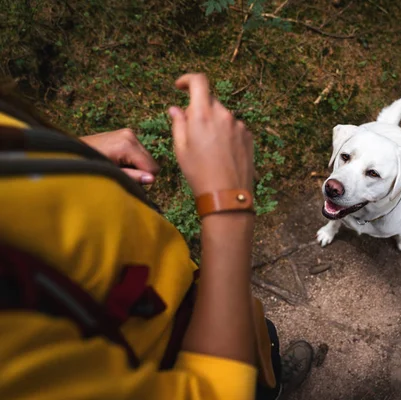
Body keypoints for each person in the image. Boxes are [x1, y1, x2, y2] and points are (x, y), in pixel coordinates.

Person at [0, 73, 313, 399]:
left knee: (261, 346)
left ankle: (271, 378)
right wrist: (227, 203)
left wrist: (69, 154)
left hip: (194, 296)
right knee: (250, 384)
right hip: (184, 361)